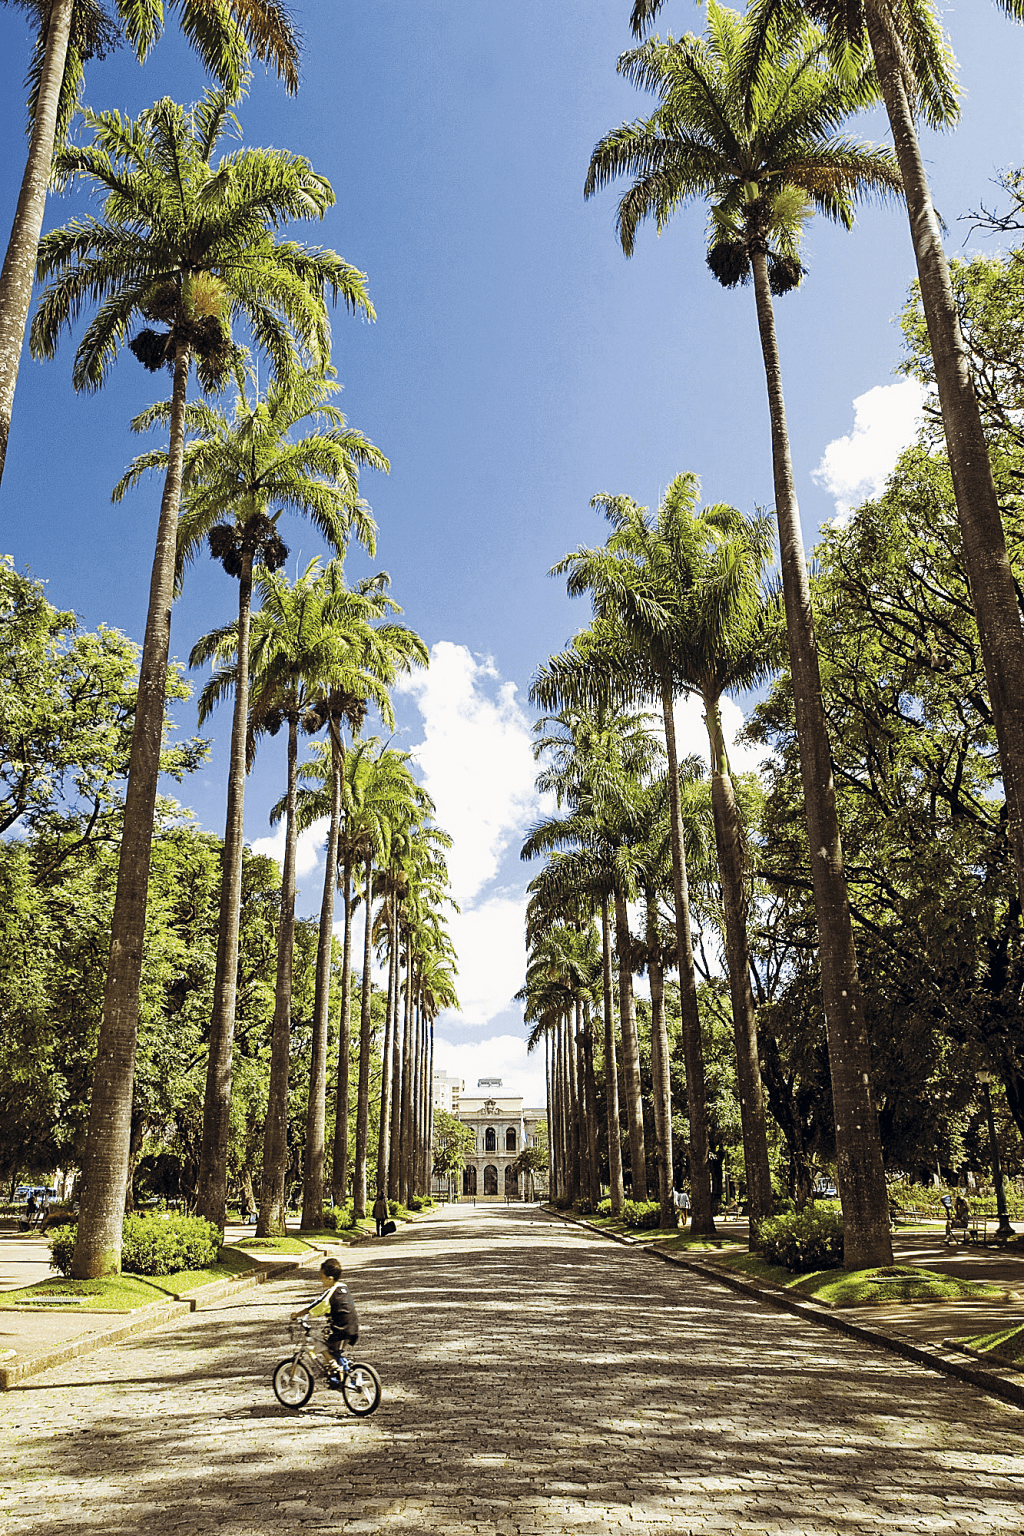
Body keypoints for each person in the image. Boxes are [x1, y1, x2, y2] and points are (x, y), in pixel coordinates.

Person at [290, 1258, 359, 1384]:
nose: (320, 1279)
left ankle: (333, 1365)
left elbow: (317, 1305)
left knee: (316, 1341)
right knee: (334, 1350)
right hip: (352, 1327)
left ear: (330, 1278)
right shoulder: (343, 1287)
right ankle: (341, 1375)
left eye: (322, 1276)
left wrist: (297, 1315)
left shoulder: (330, 1292)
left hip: (340, 1329)